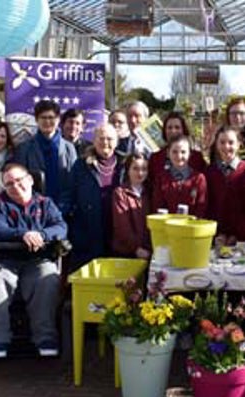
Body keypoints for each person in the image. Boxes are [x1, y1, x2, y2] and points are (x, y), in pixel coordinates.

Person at [0, 164, 67, 359]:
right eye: (9, 184)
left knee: (48, 276)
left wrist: (42, 235)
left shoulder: (45, 203)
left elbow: (60, 227)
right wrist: (23, 234)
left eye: (19, 180)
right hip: (5, 260)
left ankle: (45, 337)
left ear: (30, 180)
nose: (15, 186)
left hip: (37, 260)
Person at [64, 124, 126, 270]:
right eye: (101, 138)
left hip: (116, 229)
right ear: (94, 141)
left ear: (116, 142)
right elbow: (69, 194)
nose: (105, 142)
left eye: (110, 139)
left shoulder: (125, 164)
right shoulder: (81, 164)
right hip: (87, 230)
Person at [11, 100, 78, 204]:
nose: (47, 121)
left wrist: (64, 207)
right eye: (43, 117)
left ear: (58, 120)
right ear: (37, 120)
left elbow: (74, 182)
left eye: (51, 117)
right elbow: (19, 182)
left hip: (64, 210)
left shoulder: (69, 148)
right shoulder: (24, 148)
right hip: (33, 209)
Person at [204, 126, 245, 232]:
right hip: (216, 234)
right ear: (216, 145)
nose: (226, 147)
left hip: (243, 235)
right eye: (222, 142)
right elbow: (208, 207)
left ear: (239, 144)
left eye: (231, 142)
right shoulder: (209, 172)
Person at [151, 137, 207, 217]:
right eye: (174, 152)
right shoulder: (161, 178)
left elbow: (201, 208)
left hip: (192, 227)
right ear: (168, 153)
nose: (179, 156)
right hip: (167, 226)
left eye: (183, 152)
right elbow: (157, 206)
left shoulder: (199, 178)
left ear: (190, 153)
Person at [112, 153, 151, 258]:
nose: (140, 173)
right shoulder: (120, 193)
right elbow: (122, 225)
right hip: (126, 252)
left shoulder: (150, 192)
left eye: (144, 169)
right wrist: (136, 248)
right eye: (135, 169)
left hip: (148, 250)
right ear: (128, 170)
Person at [216, 96, 245, 160]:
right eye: (233, 113)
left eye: (242, 113)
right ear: (228, 116)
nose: (238, 117)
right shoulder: (219, 138)